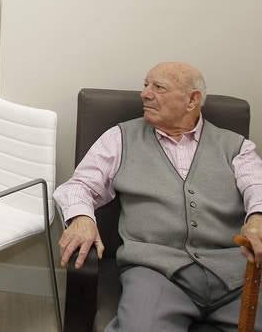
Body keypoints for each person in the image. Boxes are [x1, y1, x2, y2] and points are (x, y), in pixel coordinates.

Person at [54, 62, 262, 332]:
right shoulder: (120, 138)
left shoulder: (236, 147)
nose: (145, 94)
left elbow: (257, 186)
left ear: (192, 100)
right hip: (156, 273)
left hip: (234, 276)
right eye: (145, 85)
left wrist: (257, 219)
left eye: (158, 87)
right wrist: (82, 218)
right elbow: (78, 185)